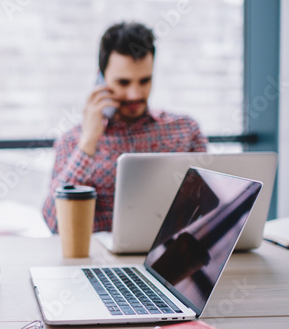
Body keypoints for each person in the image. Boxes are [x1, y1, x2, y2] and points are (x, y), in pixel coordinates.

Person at [43, 21, 208, 233]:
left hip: (173, 258)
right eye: (123, 83)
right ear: (100, 78)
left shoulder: (186, 130)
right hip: (101, 262)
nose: (135, 94)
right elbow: (54, 223)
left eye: (144, 81)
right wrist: (88, 143)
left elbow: (207, 212)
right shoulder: (74, 140)